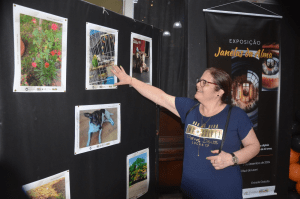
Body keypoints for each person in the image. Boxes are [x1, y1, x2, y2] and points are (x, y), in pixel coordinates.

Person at [111, 65, 260, 199]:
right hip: (190, 191)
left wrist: (232, 158)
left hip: (223, 192)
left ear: (219, 91)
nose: (198, 85)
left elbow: (254, 146)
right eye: (199, 80)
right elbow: (160, 97)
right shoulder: (189, 108)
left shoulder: (235, 115)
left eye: (204, 83)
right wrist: (131, 80)